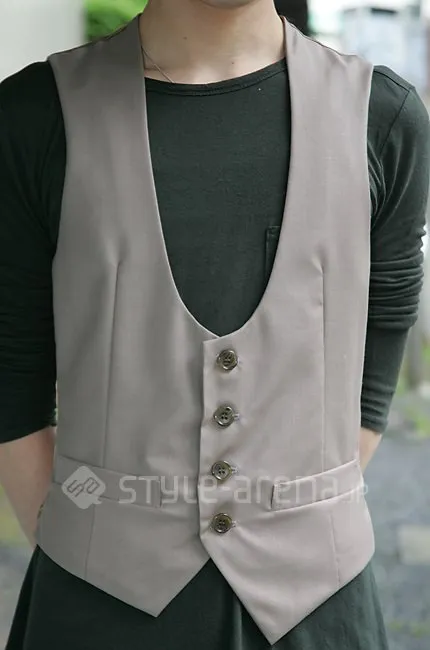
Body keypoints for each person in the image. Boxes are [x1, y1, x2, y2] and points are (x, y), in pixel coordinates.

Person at [0, 1, 428, 649]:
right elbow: (13, 365)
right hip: (94, 607)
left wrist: (304, 509)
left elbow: (382, 334)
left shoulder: (383, 118)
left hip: (319, 609)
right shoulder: (36, 115)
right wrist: (83, 535)